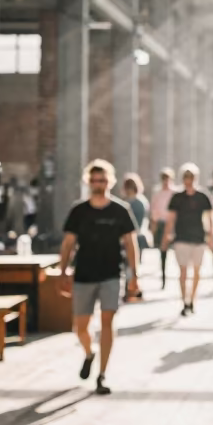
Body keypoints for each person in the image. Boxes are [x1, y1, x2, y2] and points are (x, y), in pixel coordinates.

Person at [58, 160, 138, 395]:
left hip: (112, 274)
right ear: (88, 182)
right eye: (94, 180)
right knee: (80, 326)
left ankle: (102, 375)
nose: (98, 184)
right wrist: (62, 272)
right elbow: (68, 244)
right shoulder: (79, 210)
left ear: (110, 182)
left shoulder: (120, 210)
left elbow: (131, 244)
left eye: (102, 180)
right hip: (83, 274)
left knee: (107, 323)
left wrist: (135, 275)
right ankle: (89, 353)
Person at [165, 163, 213, 316]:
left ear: (195, 178)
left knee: (197, 271)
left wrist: (211, 236)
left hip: (199, 237)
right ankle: (184, 301)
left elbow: (210, 218)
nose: (189, 180)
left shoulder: (203, 196)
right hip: (181, 237)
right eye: (186, 177)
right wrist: (167, 236)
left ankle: (192, 299)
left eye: (191, 177)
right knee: (183, 271)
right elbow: (171, 218)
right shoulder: (177, 197)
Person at [150, 167, 177, 288]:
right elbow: (154, 211)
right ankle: (163, 276)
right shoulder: (157, 193)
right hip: (161, 224)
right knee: (162, 250)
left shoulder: (175, 193)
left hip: (173, 224)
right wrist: (153, 228)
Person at [122, 173, 150, 253]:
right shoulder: (123, 202)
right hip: (124, 237)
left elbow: (140, 221)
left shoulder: (140, 202)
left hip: (137, 236)